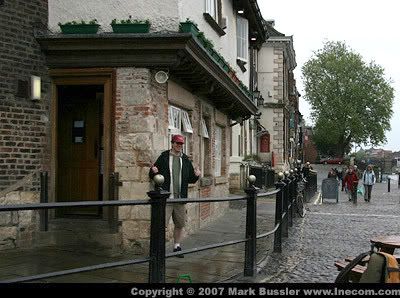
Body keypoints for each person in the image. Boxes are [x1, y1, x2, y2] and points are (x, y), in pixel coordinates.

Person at [149, 134, 201, 257]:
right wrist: (153, 171)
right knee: (161, 225)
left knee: (180, 224)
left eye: (181, 144)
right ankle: (159, 248)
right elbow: (153, 174)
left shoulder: (185, 159)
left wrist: (197, 174)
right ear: (172, 143)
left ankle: (177, 246)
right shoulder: (164, 157)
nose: (179, 146)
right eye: (177, 143)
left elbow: (191, 179)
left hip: (180, 198)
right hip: (166, 198)